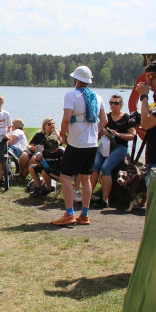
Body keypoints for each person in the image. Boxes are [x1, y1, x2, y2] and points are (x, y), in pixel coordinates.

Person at [51, 66, 106, 226]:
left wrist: (63, 135)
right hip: (91, 144)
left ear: (76, 79)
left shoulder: (71, 95)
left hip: (76, 142)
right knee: (85, 178)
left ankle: (69, 213)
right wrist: (95, 134)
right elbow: (104, 121)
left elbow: (67, 118)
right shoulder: (98, 96)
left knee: (65, 177)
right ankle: (85, 214)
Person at [91, 94, 136, 208]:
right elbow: (96, 134)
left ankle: (105, 200)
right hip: (105, 146)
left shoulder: (126, 118)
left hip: (120, 147)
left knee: (106, 167)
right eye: (111, 103)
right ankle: (89, 195)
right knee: (95, 166)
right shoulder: (106, 117)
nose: (113, 105)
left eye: (116, 103)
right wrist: (102, 133)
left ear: (121, 105)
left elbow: (132, 135)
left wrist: (118, 135)